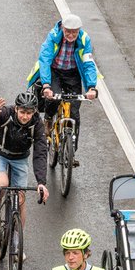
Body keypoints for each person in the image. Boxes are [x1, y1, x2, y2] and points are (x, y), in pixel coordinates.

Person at [0, 90, 49, 232]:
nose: (25, 116)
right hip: (0, 154)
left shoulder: (37, 125)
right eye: (22, 112)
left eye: (29, 113)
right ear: (16, 108)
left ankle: (16, 241)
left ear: (34, 112)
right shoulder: (6, 114)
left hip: (20, 158)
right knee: (2, 183)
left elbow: (41, 153)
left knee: (20, 201)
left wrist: (41, 183)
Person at [34, 13, 99, 163]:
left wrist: (91, 87)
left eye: (74, 32)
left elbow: (89, 64)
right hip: (54, 71)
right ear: (62, 28)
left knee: (75, 113)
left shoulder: (84, 40)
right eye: (68, 31)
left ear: (79, 30)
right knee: (53, 97)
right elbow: (44, 60)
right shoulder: (53, 36)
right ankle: (49, 120)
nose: (71, 35)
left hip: (72, 73)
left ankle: (71, 154)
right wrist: (46, 85)